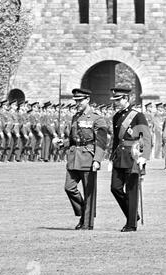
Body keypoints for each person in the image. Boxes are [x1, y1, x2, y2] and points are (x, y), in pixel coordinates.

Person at [53, 88, 108, 230]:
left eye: (80, 100)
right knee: (69, 188)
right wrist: (62, 143)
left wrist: (97, 160)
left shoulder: (97, 118)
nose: (77, 103)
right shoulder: (75, 117)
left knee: (89, 192)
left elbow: (101, 142)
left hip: (88, 158)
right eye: (76, 100)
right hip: (73, 157)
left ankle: (87, 223)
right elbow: (73, 139)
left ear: (87, 100)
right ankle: (84, 212)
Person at [109, 87, 151, 232]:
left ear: (126, 99)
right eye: (115, 100)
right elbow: (116, 139)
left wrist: (144, 157)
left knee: (131, 191)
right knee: (115, 188)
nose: (116, 103)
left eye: (118, 100)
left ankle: (131, 224)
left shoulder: (138, 116)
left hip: (133, 156)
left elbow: (146, 137)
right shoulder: (116, 116)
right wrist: (110, 158)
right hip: (119, 157)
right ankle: (133, 215)